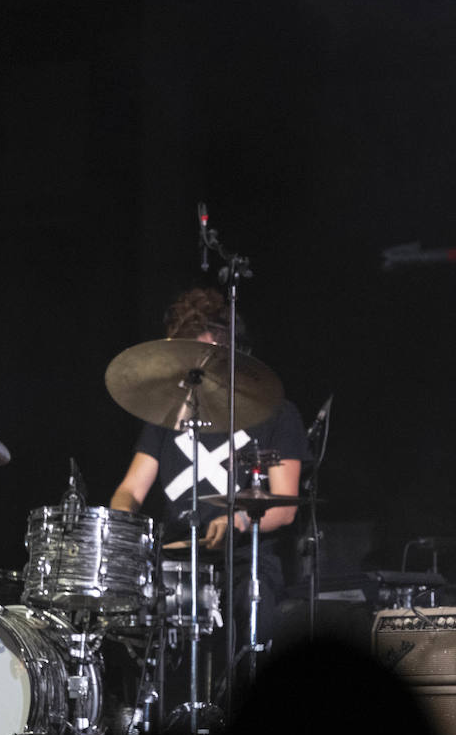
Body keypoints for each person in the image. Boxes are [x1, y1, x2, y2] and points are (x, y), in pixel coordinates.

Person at [110, 287, 308, 702]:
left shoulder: (275, 413)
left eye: (206, 355)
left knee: (247, 620)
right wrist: (123, 528)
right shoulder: (167, 416)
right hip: (173, 563)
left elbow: (285, 504)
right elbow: (131, 488)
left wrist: (236, 520)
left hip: (245, 564)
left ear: (231, 350)